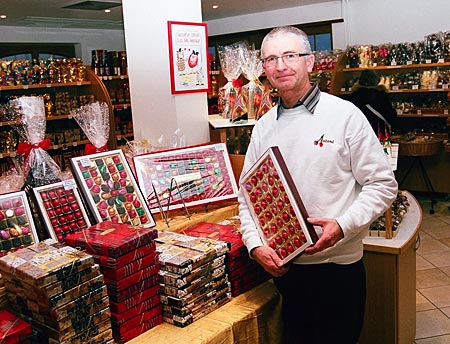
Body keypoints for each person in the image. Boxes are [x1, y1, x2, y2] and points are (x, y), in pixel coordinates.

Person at [237, 26, 398, 344]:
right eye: (271, 58)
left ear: (309, 62)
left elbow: (382, 184)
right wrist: (255, 245)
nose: (281, 65)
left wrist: (342, 225)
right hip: (286, 272)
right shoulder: (264, 126)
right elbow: (248, 196)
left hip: (338, 270)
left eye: (290, 56)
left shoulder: (345, 115)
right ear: (264, 68)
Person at [346, 69, 397, 138]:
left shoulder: (354, 96)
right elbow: (389, 114)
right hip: (379, 131)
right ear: (376, 80)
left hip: (360, 132)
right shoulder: (381, 95)